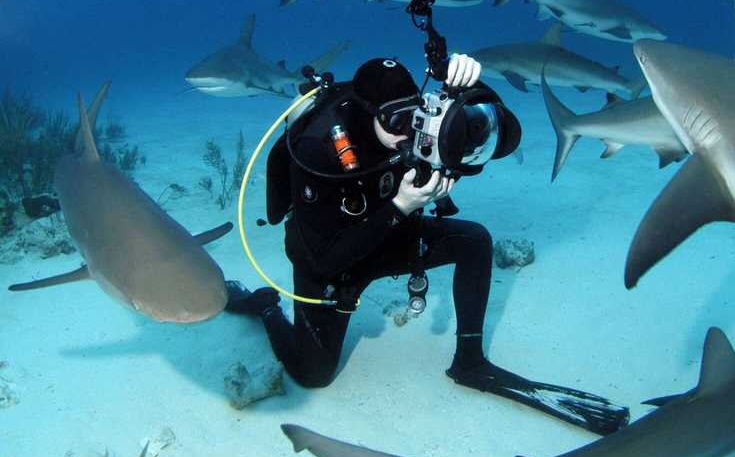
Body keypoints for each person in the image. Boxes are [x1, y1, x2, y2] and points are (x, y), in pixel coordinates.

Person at [224, 54, 629, 435]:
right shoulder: (319, 149)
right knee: (314, 376)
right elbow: (326, 260)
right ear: (366, 116)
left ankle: (469, 361)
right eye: (396, 120)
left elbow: (503, 135)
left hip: (388, 234)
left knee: (474, 241)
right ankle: (266, 308)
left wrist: (474, 89)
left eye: (414, 114)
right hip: (330, 257)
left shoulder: (421, 125)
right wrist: (401, 204)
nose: (409, 131)